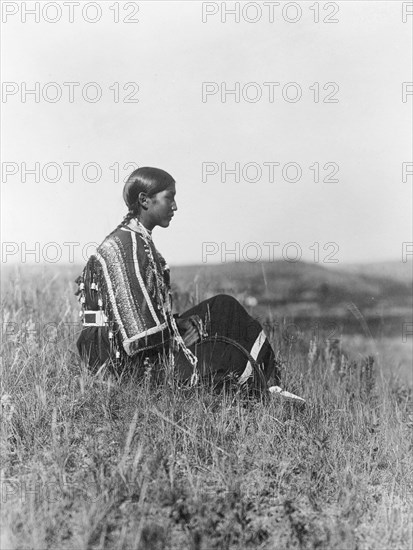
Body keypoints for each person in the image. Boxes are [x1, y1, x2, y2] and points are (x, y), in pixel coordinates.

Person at [75, 167, 303, 401]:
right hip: (118, 361)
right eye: (169, 197)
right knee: (225, 356)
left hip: (128, 345)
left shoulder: (135, 240)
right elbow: (138, 336)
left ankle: (271, 385)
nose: (175, 206)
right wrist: (175, 337)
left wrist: (178, 324)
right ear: (144, 200)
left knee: (224, 307)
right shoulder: (127, 247)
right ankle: (263, 392)